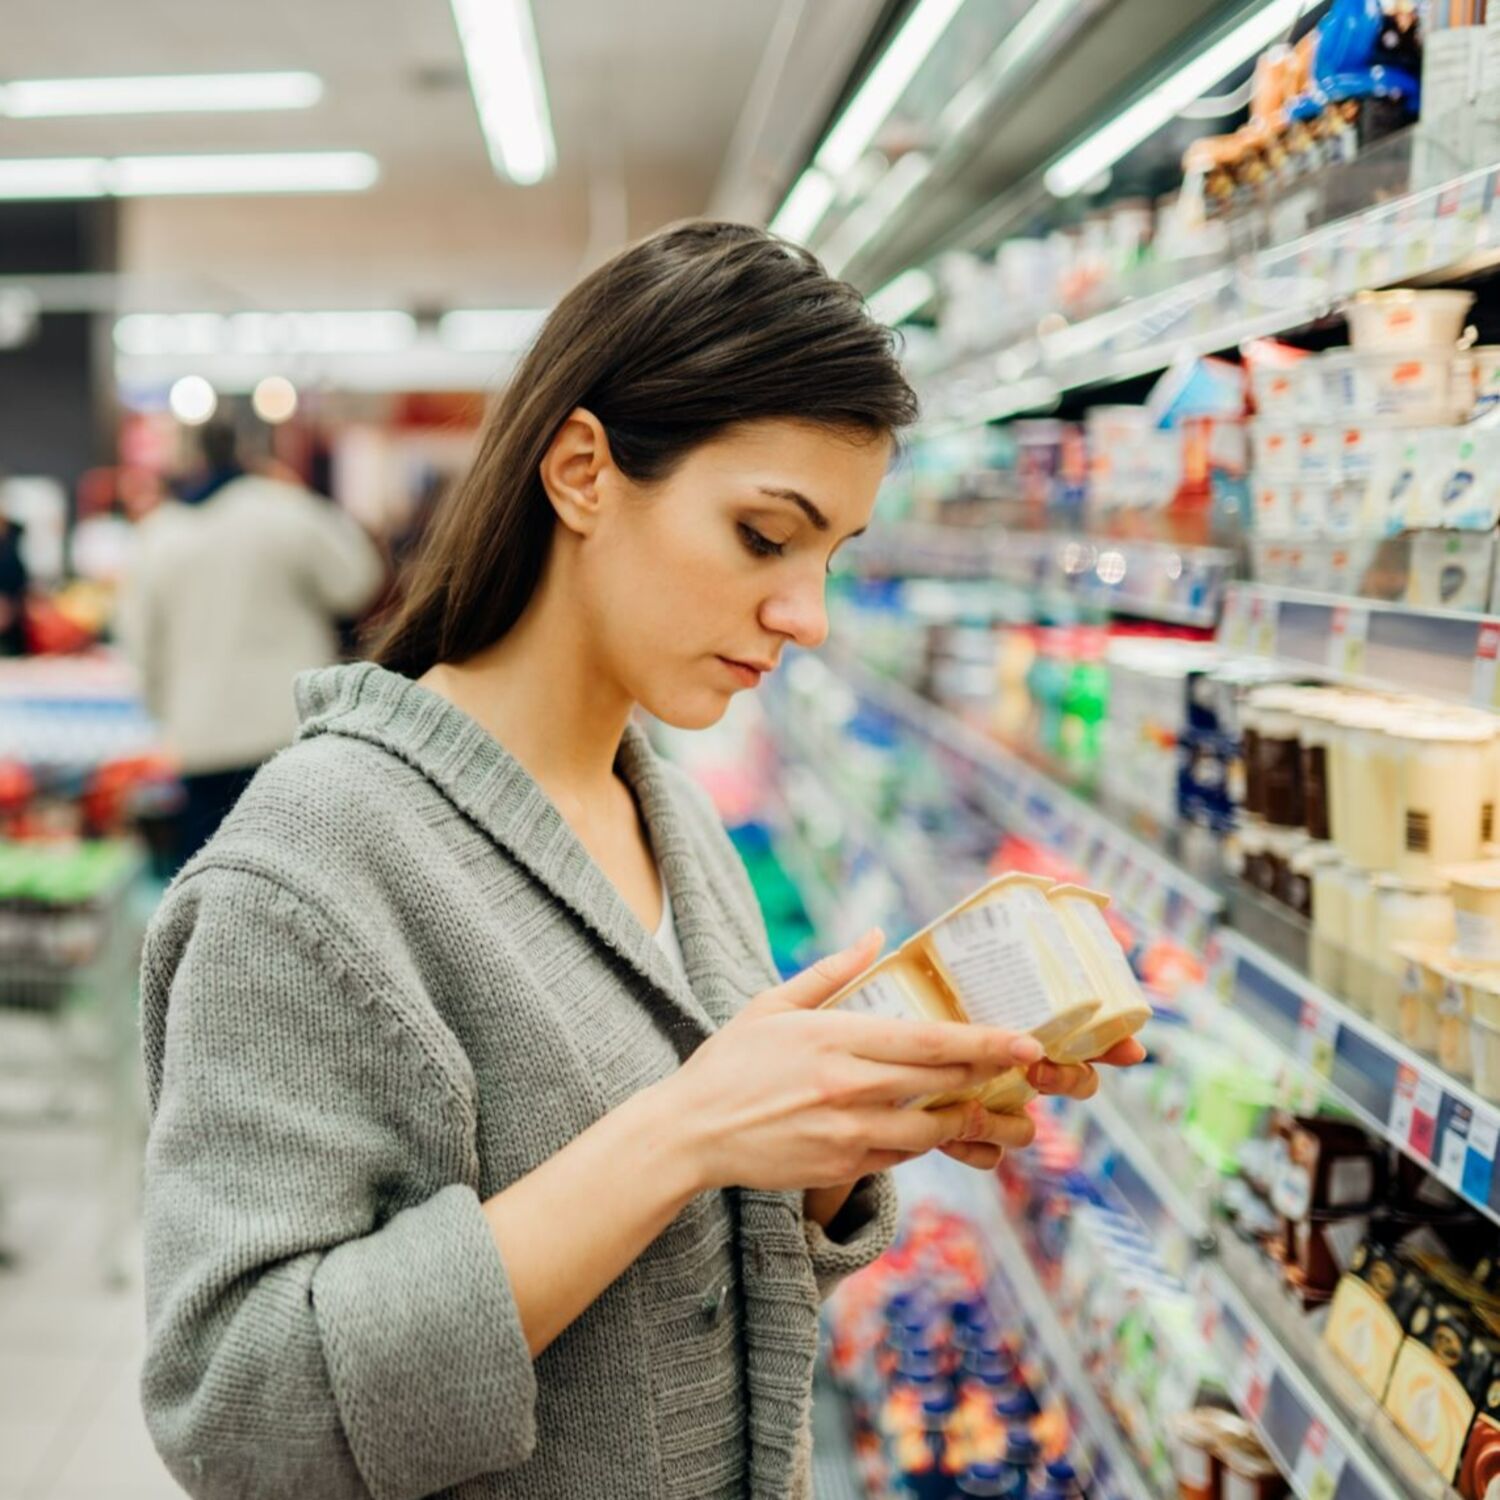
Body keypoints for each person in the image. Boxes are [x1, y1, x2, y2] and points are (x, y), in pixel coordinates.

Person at [137, 222, 1144, 1500]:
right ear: (581, 473)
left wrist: (834, 1147)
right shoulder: (312, 868)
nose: (807, 614)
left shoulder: (676, 823)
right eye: (764, 537)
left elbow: (675, 1300)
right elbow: (242, 1413)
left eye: (832, 557)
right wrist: (685, 1129)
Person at [117, 422, 385, 870]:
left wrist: (164, 715)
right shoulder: (286, 511)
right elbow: (358, 581)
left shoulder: (158, 536)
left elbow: (139, 643)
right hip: (290, 729)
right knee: (303, 877)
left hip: (201, 736)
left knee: (209, 882)